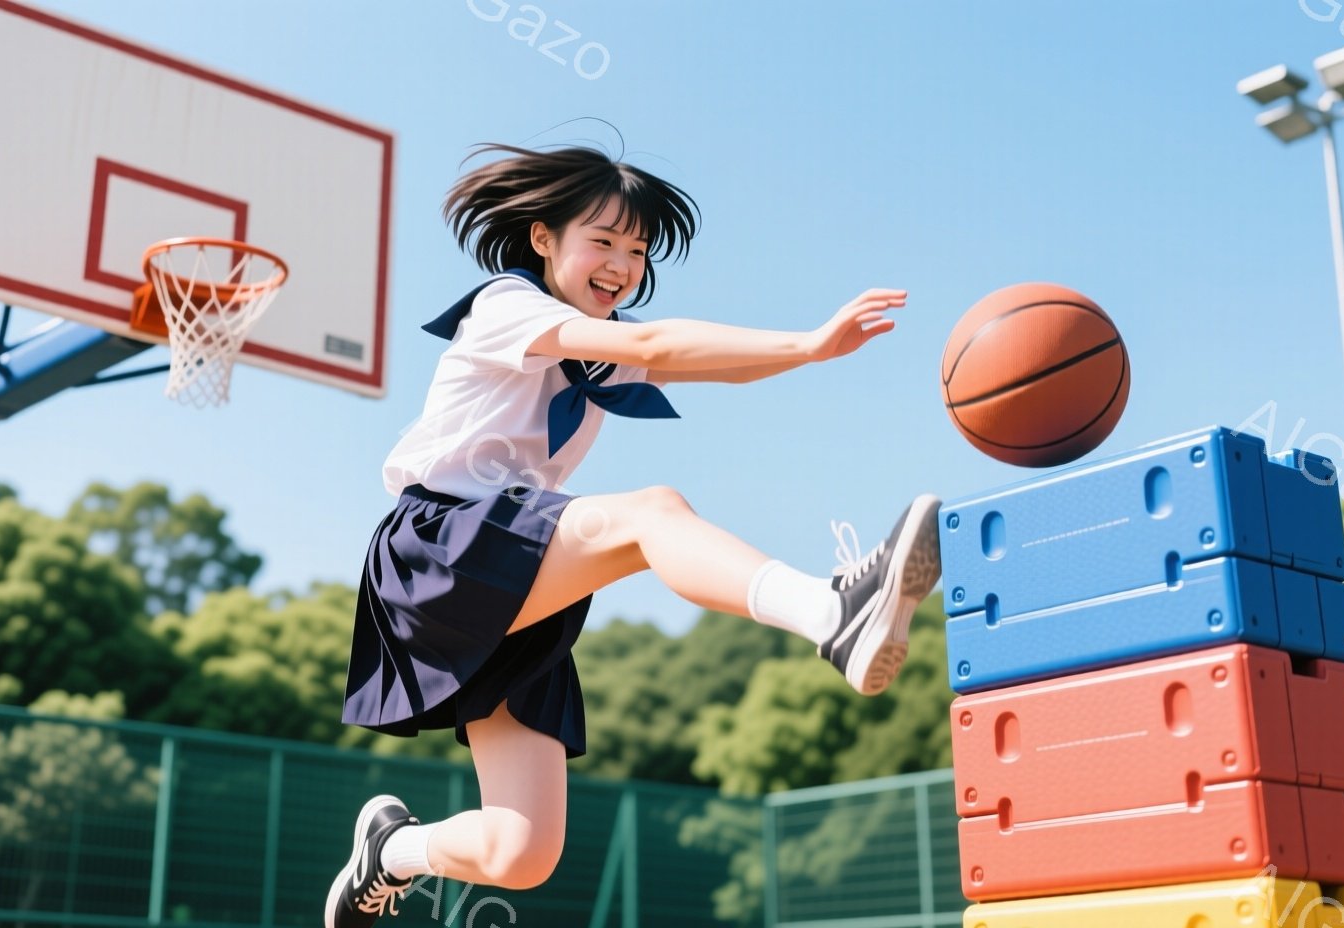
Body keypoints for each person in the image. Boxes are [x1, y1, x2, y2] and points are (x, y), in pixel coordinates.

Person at [326, 143, 942, 927]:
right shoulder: (507, 308)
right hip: (440, 548)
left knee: (522, 854)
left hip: (514, 569)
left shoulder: (596, 347)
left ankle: (391, 853)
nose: (622, 264)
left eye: (639, 249)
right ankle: (831, 613)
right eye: (604, 241)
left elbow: (711, 366)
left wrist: (804, 353)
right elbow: (652, 348)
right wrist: (811, 342)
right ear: (544, 238)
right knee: (653, 512)